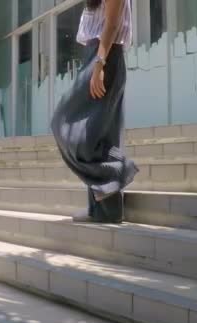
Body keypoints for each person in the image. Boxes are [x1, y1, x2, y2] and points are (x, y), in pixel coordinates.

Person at [51, 0, 138, 224]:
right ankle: (104, 211)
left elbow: (111, 24)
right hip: (97, 55)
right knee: (102, 134)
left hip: (104, 57)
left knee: (63, 122)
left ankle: (115, 173)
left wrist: (99, 65)